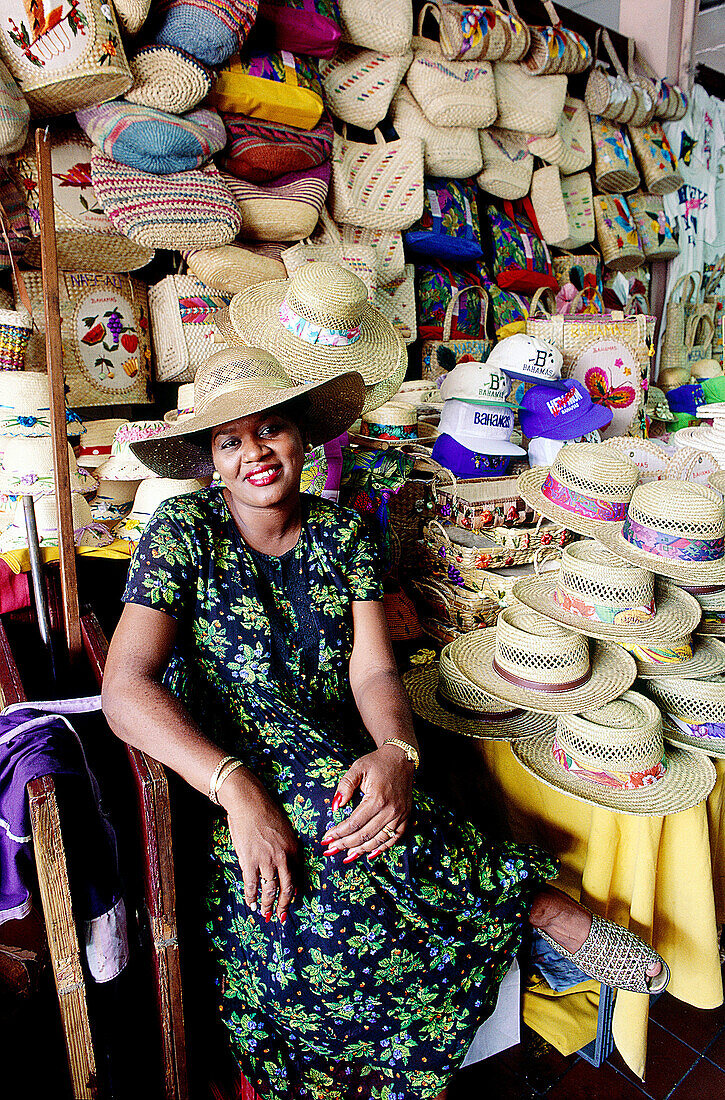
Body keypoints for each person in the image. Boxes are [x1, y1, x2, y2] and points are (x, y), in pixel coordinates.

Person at [103, 348, 667, 1100]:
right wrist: (237, 791)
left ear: (303, 437)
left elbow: (371, 671)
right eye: (230, 441)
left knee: (358, 805)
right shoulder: (184, 529)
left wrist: (397, 751)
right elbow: (124, 689)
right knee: (322, 884)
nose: (254, 454)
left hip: (333, 746)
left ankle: (523, 920)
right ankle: (535, 907)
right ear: (211, 460)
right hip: (221, 759)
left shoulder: (345, 537)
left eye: (270, 429)